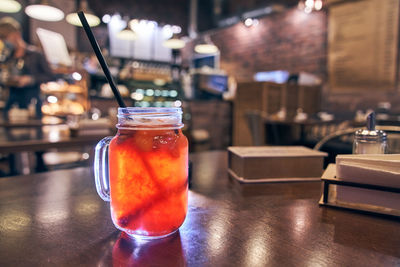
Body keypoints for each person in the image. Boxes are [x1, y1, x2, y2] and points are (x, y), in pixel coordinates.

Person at [0, 16, 54, 120]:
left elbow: (50, 76)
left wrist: (30, 79)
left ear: (16, 34)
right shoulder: (8, 57)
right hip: (11, 104)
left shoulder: (36, 54)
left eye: (6, 37)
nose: (5, 42)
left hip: (31, 104)